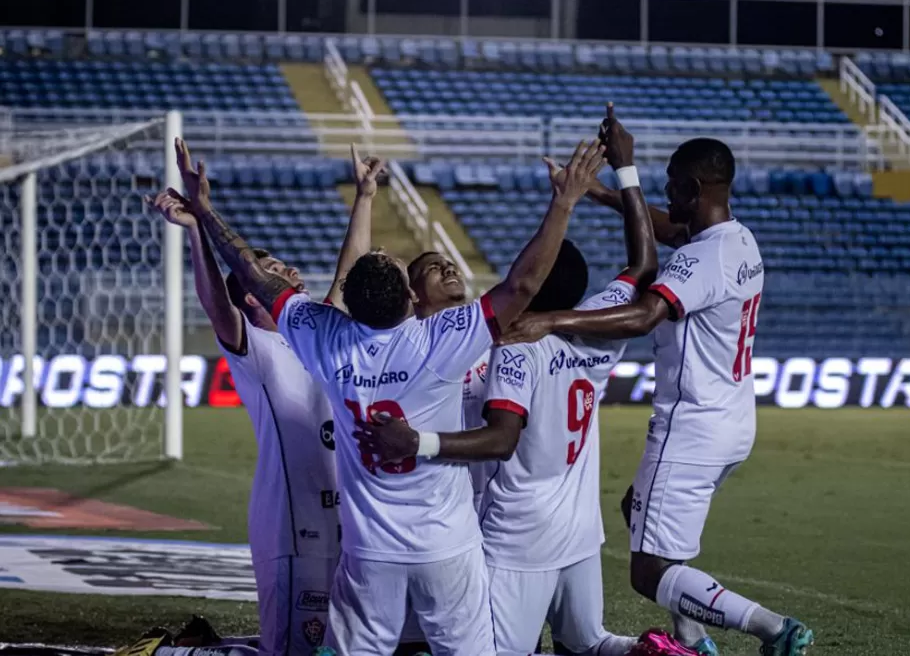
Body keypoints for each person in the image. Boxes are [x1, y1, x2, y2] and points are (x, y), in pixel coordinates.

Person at [189, 139, 607, 656]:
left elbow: (253, 276)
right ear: (412, 298)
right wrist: (562, 203)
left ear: (348, 308)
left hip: (370, 552)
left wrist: (205, 213)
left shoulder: (325, 340)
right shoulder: (439, 338)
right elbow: (522, 285)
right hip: (447, 545)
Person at [356, 105, 678, 656]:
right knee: (586, 641)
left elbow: (500, 435)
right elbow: (642, 267)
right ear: (411, 298)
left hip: (507, 532)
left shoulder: (505, 343)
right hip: (569, 530)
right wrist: (622, 177)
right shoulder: (590, 329)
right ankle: (651, 650)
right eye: (432, 268)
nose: (449, 269)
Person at [497, 136, 814, 656]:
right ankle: (692, 636)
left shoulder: (700, 260)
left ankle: (773, 629)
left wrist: (549, 319)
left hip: (690, 425)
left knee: (648, 572)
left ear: (692, 188)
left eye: (672, 186)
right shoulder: (738, 240)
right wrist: (603, 189)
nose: (666, 197)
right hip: (733, 421)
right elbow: (664, 230)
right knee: (635, 506)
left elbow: (645, 315)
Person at [148, 139, 340, 656]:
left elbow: (345, 277)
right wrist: (196, 231)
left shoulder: (320, 336)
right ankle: (177, 651)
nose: (292, 273)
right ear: (254, 295)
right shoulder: (255, 345)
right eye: (277, 270)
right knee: (292, 649)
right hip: (292, 526)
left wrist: (364, 198)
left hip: (346, 522)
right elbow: (216, 306)